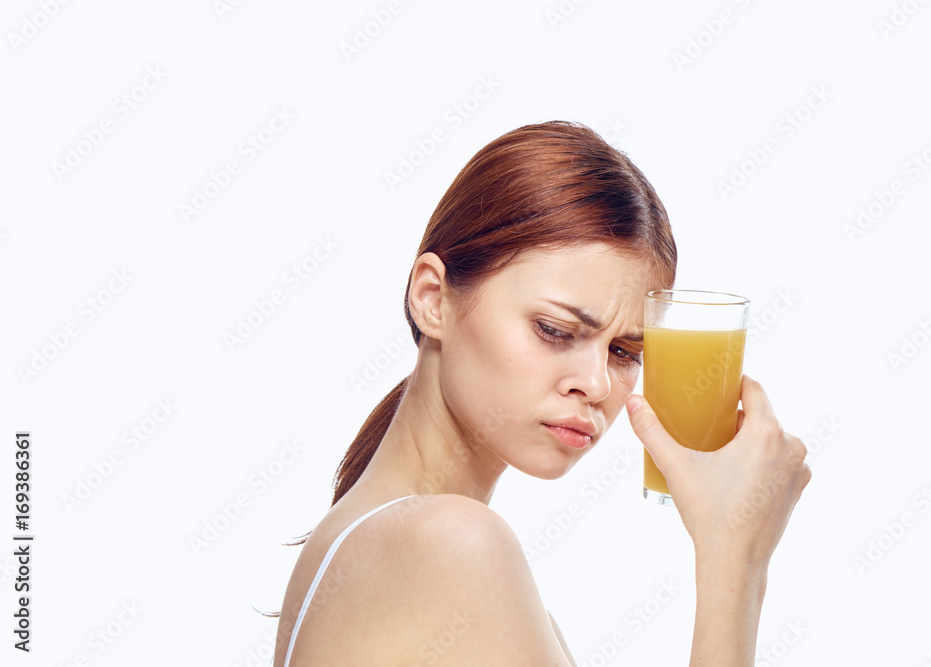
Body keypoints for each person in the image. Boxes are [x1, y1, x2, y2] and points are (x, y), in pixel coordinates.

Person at [267, 120, 811, 666]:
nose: (597, 385)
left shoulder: (385, 534)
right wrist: (733, 561)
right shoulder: (449, 542)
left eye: (624, 352)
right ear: (433, 299)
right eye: (554, 330)